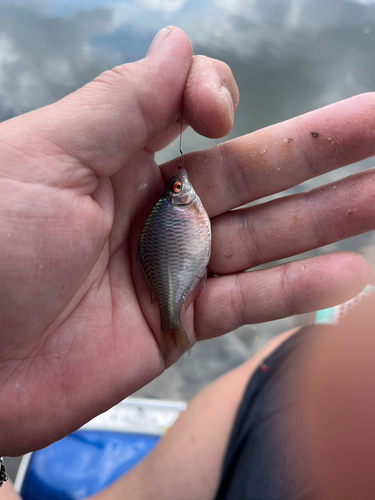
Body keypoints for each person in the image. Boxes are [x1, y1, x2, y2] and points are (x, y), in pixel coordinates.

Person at [1, 25, 375, 498]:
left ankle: (171, 318)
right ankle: (170, 319)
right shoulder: (182, 209)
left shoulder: (182, 208)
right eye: (178, 188)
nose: (181, 184)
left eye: (176, 187)